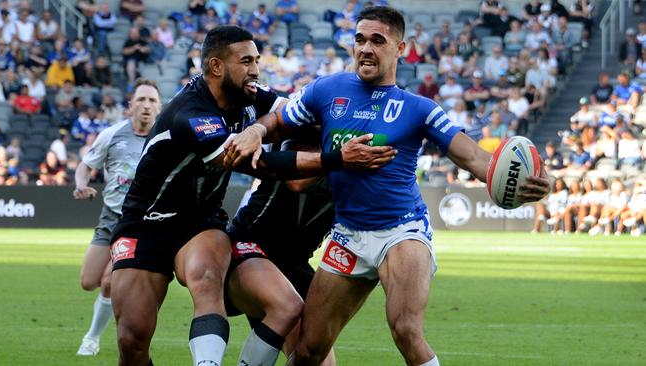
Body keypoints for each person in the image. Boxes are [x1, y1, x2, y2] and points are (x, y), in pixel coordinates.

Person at [224, 8, 551, 366]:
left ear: (400, 48)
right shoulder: (326, 91)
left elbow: (475, 158)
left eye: (377, 40)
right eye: (360, 39)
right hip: (347, 235)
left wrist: (526, 181)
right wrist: (256, 130)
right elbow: (279, 121)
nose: (366, 48)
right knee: (308, 352)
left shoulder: (419, 109)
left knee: (405, 329)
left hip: (401, 230)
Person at [108, 25, 395, 366]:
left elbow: (296, 112)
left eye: (257, 60)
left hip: (202, 221)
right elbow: (263, 166)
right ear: (216, 67)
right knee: (132, 338)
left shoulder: (251, 95)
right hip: (147, 223)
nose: (255, 70)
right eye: (246, 61)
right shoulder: (190, 116)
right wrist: (337, 158)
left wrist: (342, 119)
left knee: (207, 280)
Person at [225, 136, 337, 366]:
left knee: (317, 361)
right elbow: (296, 180)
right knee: (287, 306)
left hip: (294, 263)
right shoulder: (301, 126)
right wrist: (342, 158)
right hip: (249, 247)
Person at [73, 79, 161, 356]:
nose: (146, 105)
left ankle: (91, 339)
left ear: (159, 107)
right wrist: (80, 184)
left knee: (110, 281)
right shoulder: (112, 134)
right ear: (130, 105)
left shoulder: (165, 139)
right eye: (141, 100)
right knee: (89, 281)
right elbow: (85, 166)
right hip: (110, 216)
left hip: (140, 222)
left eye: (152, 101)